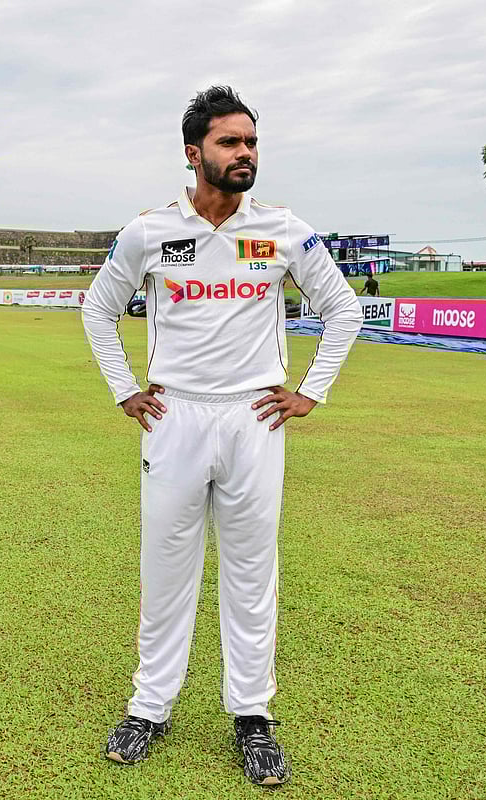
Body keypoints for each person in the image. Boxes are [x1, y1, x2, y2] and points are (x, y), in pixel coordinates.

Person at [81, 86, 362, 786]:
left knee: (250, 570)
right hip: (174, 417)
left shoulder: (285, 230)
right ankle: (149, 708)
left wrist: (310, 392)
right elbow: (97, 309)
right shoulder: (151, 232)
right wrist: (124, 387)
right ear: (193, 152)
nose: (246, 154)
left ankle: (253, 718)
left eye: (252, 142)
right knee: (165, 570)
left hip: (253, 418)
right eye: (231, 143)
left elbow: (343, 311)